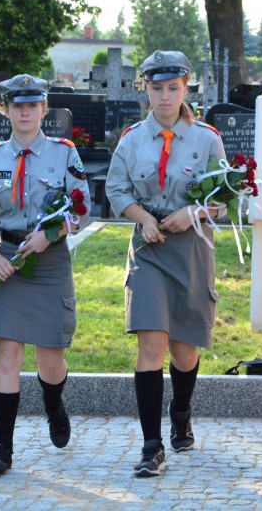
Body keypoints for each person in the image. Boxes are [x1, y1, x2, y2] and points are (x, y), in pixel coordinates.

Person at [105, 50, 225, 477]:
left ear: (186, 86)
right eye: (156, 88)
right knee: (151, 345)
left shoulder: (207, 138)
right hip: (149, 249)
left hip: (191, 247)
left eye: (172, 88)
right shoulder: (132, 139)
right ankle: (151, 446)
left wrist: (191, 214)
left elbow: (222, 199)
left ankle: (182, 410)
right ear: (147, 89)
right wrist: (143, 219)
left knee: (184, 350)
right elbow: (116, 189)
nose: (164, 96)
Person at [0, 75, 91, 474]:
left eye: (32, 105)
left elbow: (81, 209)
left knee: (50, 357)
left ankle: (54, 405)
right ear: (5, 110)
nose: (24, 112)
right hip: (8, 258)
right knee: (7, 354)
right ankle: (2, 447)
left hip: (49, 261)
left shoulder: (64, 153)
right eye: (16, 106)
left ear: (43, 109)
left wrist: (50, 235)